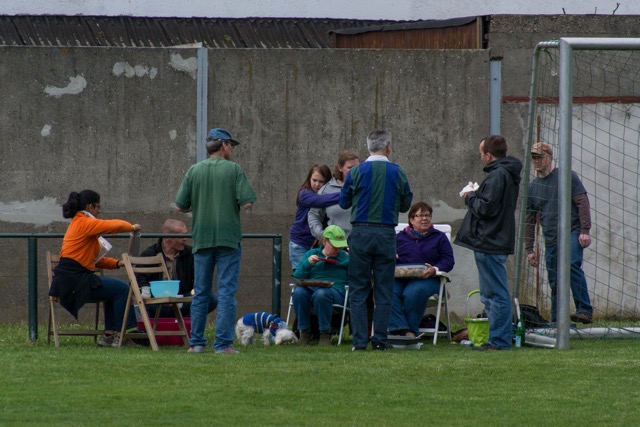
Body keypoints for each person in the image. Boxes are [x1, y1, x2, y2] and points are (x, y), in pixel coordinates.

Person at [175, 127, 256, 354]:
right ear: (224, 145)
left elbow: (181, 205)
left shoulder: (194, 170)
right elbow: (247, 202)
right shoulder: (234, 170)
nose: (231, 149)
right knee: (226, 293)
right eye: (231, 145)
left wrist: (200, 204)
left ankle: (196, 344)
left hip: (201, 238)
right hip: (228, 239)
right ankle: (222, 344)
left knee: (200, 292)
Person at [339, 129, 413, 351]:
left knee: (358, 289)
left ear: (368, 146)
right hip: (385, 233)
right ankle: (379, 340)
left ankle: (360, 342)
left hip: (360, 233)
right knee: (384, 290)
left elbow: (344, 203)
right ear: (388, 147)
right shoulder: (397, 172)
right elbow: (405, 204)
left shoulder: (356, 172)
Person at [49, 190, 141, 348]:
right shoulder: (84, 222)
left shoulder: (78, 223)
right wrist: (132, 227)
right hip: (75, 282)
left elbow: (91, 260)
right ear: (90, 207)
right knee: (121, 289)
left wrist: (117, 263)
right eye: (98, 207)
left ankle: (109, 335)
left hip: (70, 279)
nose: (99, 212)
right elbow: (112, 225)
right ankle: (122, 335)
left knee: (112, 290)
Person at [455, 135, 522, 351]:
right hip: (493, 240)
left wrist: (470, 196)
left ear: (488, 155)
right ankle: (496, 338)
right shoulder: (505, 173)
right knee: (489, 294)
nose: (480, 157)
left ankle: (499, 341)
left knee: (496, 294)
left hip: (490, 240)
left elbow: (486, 208)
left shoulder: (498, 175)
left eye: (481, 153)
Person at [524, 142, 593, 324]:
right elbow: (529, 220)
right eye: (533, 158)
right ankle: (557, 321)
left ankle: (584, 310)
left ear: (549, 157)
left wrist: (585, 230)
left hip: (572, 231)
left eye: (539, 157)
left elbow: (582, 202)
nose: (536, 161)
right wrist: (529, 249)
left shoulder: (567, 176)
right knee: (554, 280)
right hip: (551, 237)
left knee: (571, 265)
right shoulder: (532, 188)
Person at [389, 202, 455, 337]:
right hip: (402, 277)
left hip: (428, 278)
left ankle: (410, 330)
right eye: (420, 216)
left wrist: (435, 269)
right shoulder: (400, 237)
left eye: (427, 215)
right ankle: (402, 329)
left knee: (413, 292)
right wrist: (391, 255)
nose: (424, 219)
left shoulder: (439, 237)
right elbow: (389, 255)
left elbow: (448, 260)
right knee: (387, 289)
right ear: (411, 220)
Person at [135, 219, 218, 318]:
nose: (185, 239)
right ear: (167, 237)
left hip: (181, 301)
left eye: (185, 235)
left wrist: (188, 295)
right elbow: (139, 282)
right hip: (156, 302)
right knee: (137, 302)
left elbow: (198, 281)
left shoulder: (191, 254)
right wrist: (156, 297)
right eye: (181, 236)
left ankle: (187, 327)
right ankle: (148, 331)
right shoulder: (149, 254)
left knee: (211, 298)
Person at [292, 225, 350, 346]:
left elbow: (355, 279)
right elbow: (297, 276)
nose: (338, 249)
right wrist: (308, 264)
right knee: (298, 292)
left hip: (336, 291)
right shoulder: (312, 254)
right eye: (335, 246)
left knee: (322, 294)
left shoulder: (346, 257)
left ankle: (325, 334)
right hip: (311, 289)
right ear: (324, 241)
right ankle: (304, 332)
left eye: (340, 246)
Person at [289, 164, 339, 269]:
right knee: (301, 275)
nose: (317, 184)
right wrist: (345, 195)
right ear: (309, 179)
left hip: (318, 243)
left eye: (321, 182)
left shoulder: (326, 193)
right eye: (314, 180)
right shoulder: (304, 194)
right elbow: (320, 200)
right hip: (300, 242)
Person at [308, 150, 360, 241]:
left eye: (357, 167)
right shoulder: (326, 190)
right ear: (340, 168)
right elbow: (313, 215)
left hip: (359, 245)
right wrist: (322, 236)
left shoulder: (365, 188)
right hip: (335, 246)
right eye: (350, 168)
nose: (355, 171)